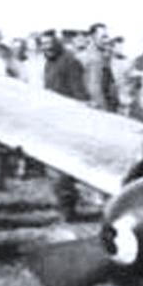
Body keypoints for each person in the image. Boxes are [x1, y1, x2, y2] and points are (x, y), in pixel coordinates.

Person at [40, 31, 89, 220]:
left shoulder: (70, 62)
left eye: (50, 44)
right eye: (43, 44)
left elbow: (79, 92)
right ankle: (64, 206)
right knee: (54, 167)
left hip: (68, 120)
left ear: (57, 44)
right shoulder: (48, 63)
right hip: (52, 118)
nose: (47, 48)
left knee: (63, 169)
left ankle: (68, 209)